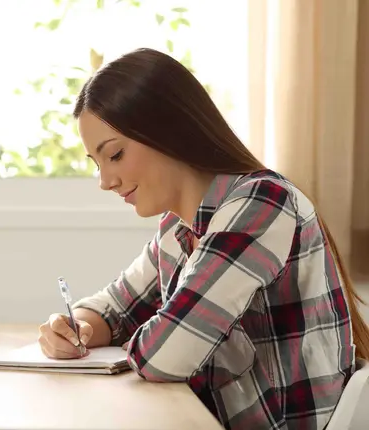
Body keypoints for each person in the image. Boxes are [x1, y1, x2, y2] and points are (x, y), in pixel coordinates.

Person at [38, 47, 369, 430]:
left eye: (115, 155)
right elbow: (113, 307)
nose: (105, 181)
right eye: (96, 164)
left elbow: (163, 356)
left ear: (166, 131)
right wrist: (76, 328)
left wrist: (142, 334)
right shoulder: (178, 230)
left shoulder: (262, 204)